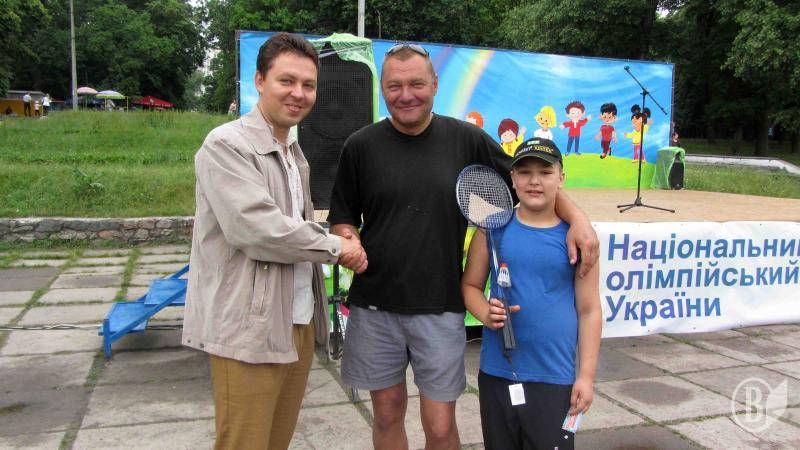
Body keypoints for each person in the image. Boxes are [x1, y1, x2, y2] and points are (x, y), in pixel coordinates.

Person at [328, 43, 599, 450]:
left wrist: (578, 219)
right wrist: (347, 238)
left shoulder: (466, 139)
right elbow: (343, 216)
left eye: (417, 84)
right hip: (375, 306)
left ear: (435, 84)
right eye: (394, 86)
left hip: (441, 306)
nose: (406, 94)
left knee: (440, 428)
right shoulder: (360, 146)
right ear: (382, 89)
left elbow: (528, 181)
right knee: (386, 415)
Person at [182, 32, 367, 450]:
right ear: (260, 81)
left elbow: (293, 226)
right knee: (245, 443)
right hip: (249, 329)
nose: (299, 93)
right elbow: (257, 229)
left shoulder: (293, 152)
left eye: (308, 85)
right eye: (287, 81)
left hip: (296, 322)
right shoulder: (227, 145)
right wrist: (336, 247)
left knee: (276, 442)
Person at [461, 138, 602, 450]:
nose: (534, 181)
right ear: (512, 178)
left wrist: (586, 377)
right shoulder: (492, 229)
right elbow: (470, 287)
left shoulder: (579, 239)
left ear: (561, 178)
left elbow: (589, 310)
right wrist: (484, 312)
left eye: (545, 172)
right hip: (497, 372)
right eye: (524, 172)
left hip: (554, 376)